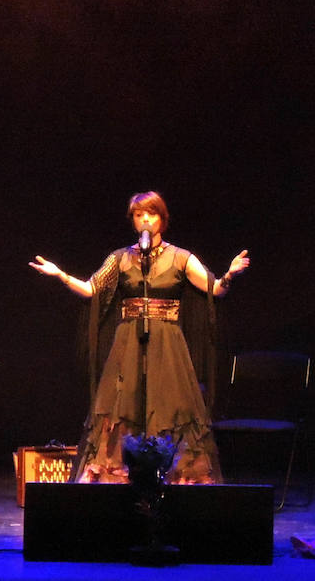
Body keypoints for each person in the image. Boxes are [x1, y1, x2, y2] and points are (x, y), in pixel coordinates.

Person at [31, 191, 250, 483]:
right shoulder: (120, 259)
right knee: (122, 408)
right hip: (129, 344)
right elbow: (91, 289)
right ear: (133, 221)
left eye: (152, 213)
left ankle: (175, 478)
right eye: (138, 214)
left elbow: (215, 289)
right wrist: (61, 275)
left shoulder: (181, 257)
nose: (145, 219)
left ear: (163, 218)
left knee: (172, 408)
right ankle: (118, 477)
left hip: (168, 345)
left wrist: (230, 275)